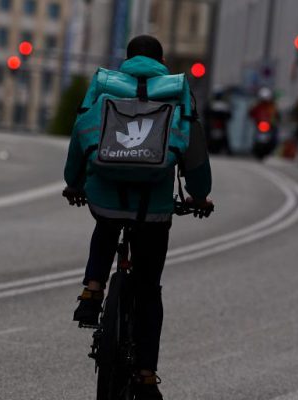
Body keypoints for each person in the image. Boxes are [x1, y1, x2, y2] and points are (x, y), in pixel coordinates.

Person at [62, 35, 213, 400]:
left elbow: (81, 133)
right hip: (154, 209)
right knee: (148, 289)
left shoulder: (103, 86)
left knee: (106, 222)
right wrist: (199, 194)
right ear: (161, 60)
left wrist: (75, 183)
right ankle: (145, 377)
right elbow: (193, 150)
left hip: (106, 197)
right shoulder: (177, 91)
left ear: (126, 60)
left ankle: (92, 289)